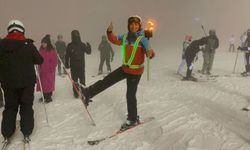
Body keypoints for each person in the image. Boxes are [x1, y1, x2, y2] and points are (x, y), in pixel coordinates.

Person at [80, 15, 155, 130]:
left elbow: (150, 51)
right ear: (129, 26)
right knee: (107, 80)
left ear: (139, 26)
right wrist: (109, 32)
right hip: (125, 68)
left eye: (136, 24)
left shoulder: (143, 39)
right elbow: (114, 39)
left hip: (135, 71)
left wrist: (150, 53)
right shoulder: (125, 37)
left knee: (130, 95)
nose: (133, 26)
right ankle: (89, 92)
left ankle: (133, 119)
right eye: (131, 24)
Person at [0, 20, 43, 141]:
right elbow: (40, 60)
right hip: (27, 83)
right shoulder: (28, 45)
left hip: (8, 83)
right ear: (22, 30)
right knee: (26, 105)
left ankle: (7, 132)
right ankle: (27, 130)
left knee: (10, 106)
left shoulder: (1, 45)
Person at [65, 30, 91, 98]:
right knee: (75, 80)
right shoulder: (70, 45)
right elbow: (67, 55)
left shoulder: (82, 44)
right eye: (74, 36)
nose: (76, 37)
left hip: (81, 65)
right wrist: (66, 63)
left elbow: (88, 52)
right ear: (72, 36)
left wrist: (89, 46)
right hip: (74, 66)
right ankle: (76, 93)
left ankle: (82, 92)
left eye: (77, 35)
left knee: (82, 80)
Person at [37, 35, 58, 103]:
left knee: (48, 84)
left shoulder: (52, 51)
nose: (43, 44)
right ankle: (44, 96)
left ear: (48, 43)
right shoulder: (41, 50)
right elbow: (38, 58)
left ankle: (49, 97)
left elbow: (55, 61)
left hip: (49, 71)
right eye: (42, 43)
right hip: (42, 70)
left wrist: (51, 68)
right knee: (42, 84)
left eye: (44, 43)